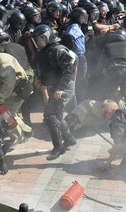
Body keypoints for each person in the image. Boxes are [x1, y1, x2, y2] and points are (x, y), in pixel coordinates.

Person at [31, 24, 77, 160]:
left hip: (63, 86)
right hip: (53, 87)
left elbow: (69, 69)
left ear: (45, 37)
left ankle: (58, 147)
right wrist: (40, 80)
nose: (37, 42)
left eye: (38, 39)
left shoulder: (59, 49)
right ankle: (69, 139)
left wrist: (61, 89)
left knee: (50, 116)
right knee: (56, 115)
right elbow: (47, 71)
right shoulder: (43, 52)